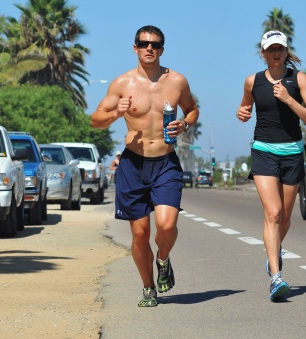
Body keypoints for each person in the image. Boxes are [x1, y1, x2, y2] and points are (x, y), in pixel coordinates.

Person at [91, 25, 199, 307]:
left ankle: (163, 258)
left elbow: (192, 109)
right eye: (144, 43)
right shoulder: (122, 84)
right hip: (133, 164)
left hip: (165, 163)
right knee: (139, 234)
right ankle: (148, 287)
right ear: (135, 47)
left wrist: (184, 124)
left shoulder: (177, 81)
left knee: (167, 223)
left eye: (155, 44)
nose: (149, 48)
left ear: (162, 49)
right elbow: (96, 119)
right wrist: (118, 111)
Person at [236, 30, 306, 301]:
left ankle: (274, 252)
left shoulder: (299, 79)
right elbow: (244, 108)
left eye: (279, 49)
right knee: (272, 213)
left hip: (293, 152)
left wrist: (288, 98)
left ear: (286, 52)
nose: (275, 53)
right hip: (263, 150)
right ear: (263, 53)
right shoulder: (253, 81)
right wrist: (242, 113)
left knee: (284, 217)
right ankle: (276, 277)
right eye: (270, 49)